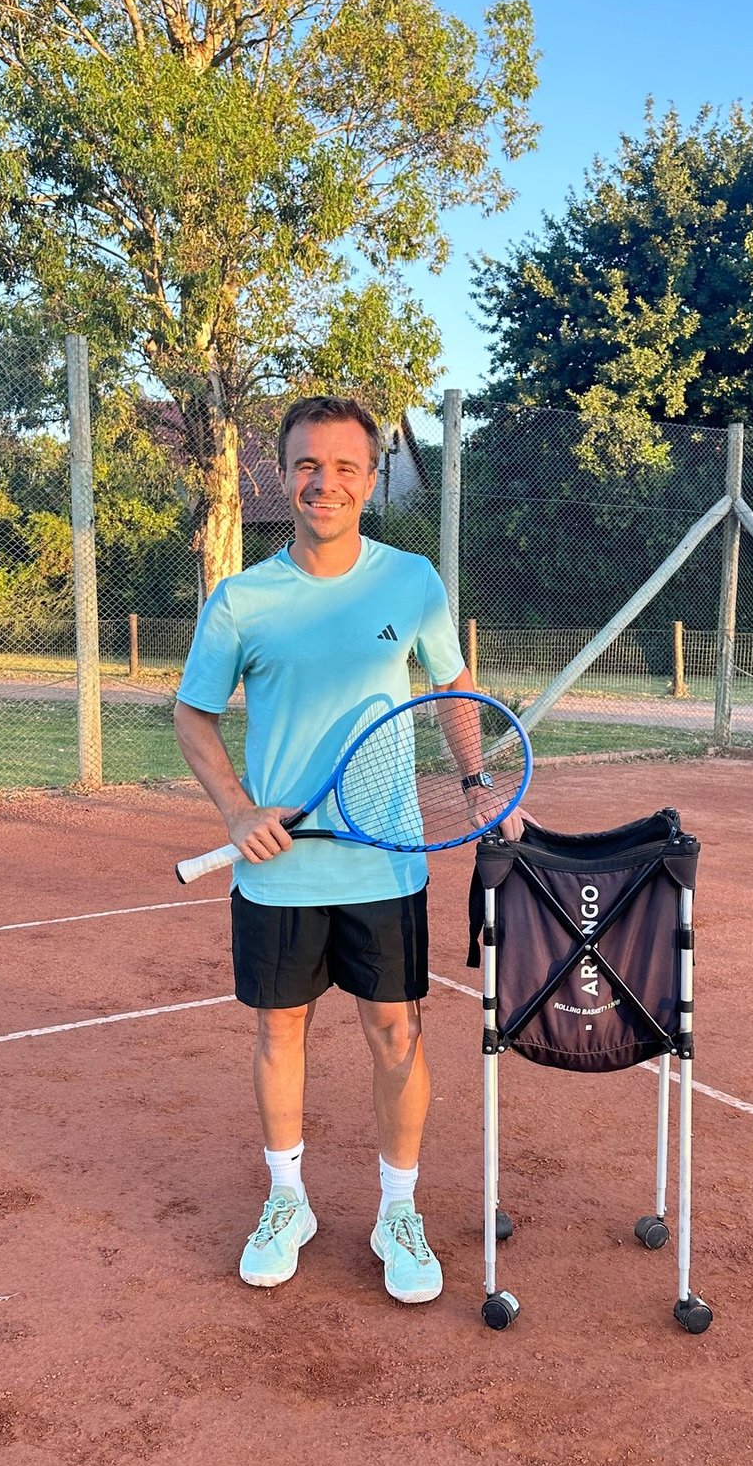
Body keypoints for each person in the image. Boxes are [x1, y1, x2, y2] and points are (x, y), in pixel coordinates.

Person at [174, 393, 522, 1305]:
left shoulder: (410, 581)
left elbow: (453, 687)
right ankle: (287, 1202)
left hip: (385, 860)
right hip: (278, 869)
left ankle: (396, 1212)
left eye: (343, 467)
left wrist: (479, 785)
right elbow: (192, 716)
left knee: (397, 1031)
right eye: (306, 465)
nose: (323, 483)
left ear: (370, 479)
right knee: (278, 1031)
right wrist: (236, 810)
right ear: (284, 474)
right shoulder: (241, 599)